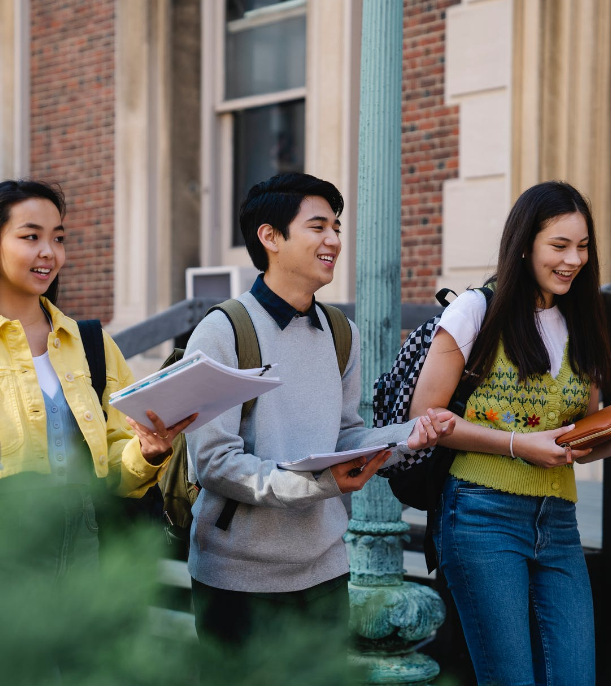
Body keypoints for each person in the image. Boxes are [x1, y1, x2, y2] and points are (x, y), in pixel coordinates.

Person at [184, 172, 455, 656]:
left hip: (327, 570)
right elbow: (214, 464)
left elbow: (346, 435)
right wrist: (319, 482)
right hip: (238, 578)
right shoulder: (222, 331)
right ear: (270, 237)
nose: (333, 239)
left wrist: (408, 436)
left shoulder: (340, 332)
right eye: (318, 227)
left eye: (336, 227)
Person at [409, 180, 611, 686]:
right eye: (560, 246)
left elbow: (580, 442)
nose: (574, 259)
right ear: (525, 244)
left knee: (575, 676)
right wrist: (515, 443)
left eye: (584, 246)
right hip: (481, 517)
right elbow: (427, 418)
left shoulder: (583, 320)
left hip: (559, 523)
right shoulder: (475, 311)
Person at [0, 179, 196, 577]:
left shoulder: (92, 345)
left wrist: (150, 451)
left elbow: (115, 472)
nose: (49, 252)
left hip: (91, 556)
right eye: (31, 237)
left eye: (58, 238)